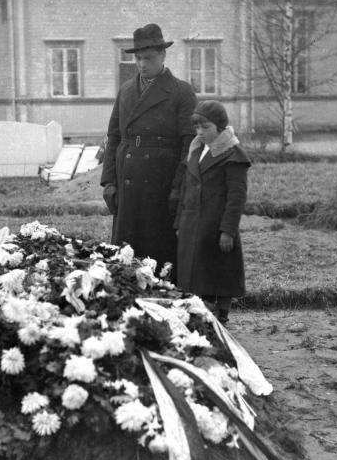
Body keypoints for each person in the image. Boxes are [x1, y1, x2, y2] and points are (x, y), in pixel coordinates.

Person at [100, 23, 197, 272]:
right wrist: (109, 182)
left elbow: (189, 144)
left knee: (160, 260)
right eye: (138, 58)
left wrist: (178, 188)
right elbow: (114, 137)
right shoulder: (125, 91)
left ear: (163, 55)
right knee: (127, 259)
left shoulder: (181, 92)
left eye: (149, 58)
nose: (142, 64)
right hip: (128, 183)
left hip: (161, 184)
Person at [174, 100, 252, 324]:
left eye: (206, 127)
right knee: (196, 272)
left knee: (219, 272)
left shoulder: (233, 155)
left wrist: (228, 230)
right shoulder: (196, 150)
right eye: (197, 127)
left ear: (220, 127)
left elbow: (236, 197)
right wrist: (179, 223)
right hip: (192, 223)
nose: (200, 132)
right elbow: (185, 190)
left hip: (215, 226)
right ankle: (200, 310)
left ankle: (221, 312)